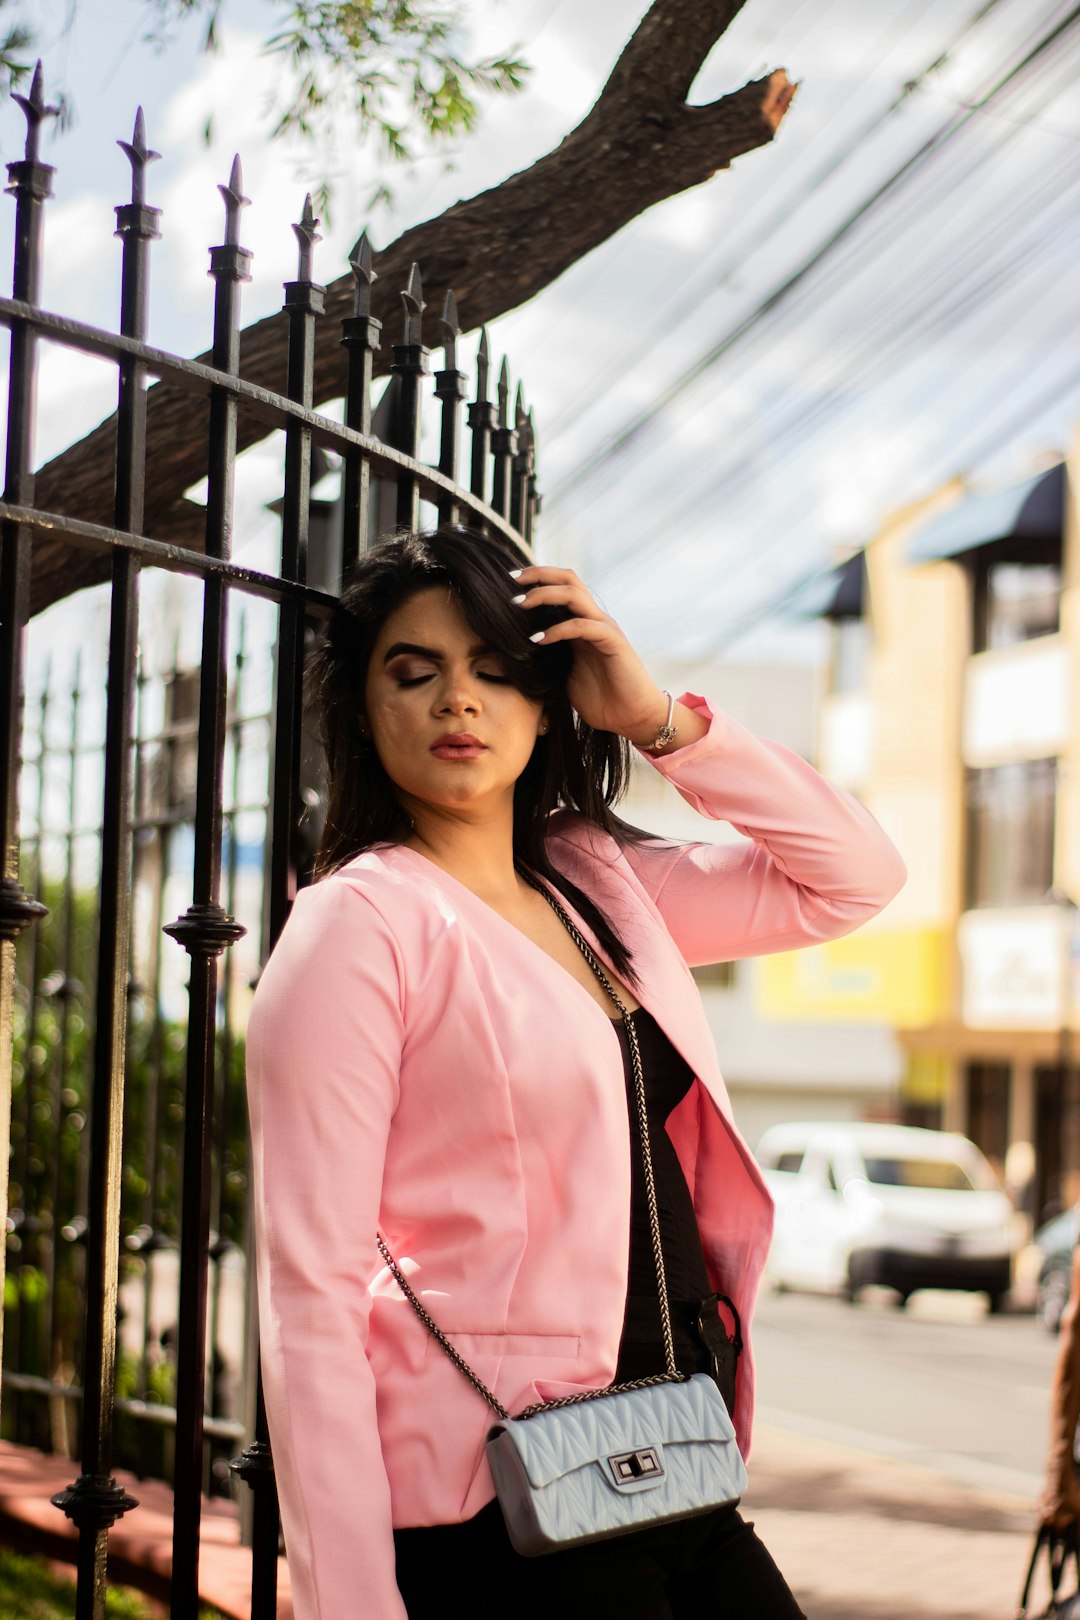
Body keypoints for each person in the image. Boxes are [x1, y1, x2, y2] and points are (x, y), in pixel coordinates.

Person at [245, 526, 906, 1619]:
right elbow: (309, 1289)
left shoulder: (596, 882)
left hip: (666, 1453)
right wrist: (348, 1601)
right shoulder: (359, 925)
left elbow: (855, 878)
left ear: (546, 702)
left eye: (497, 672)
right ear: (366, 711)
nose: (460, 702)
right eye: (416, 674)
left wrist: (657, 719)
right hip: (496, 1499)